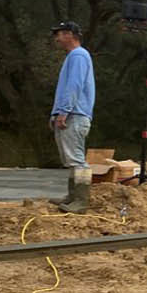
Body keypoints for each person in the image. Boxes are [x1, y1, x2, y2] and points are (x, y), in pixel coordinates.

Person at [50, 21, 96, 214]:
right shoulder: (74, 56)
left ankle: (81, 201)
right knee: (70, 158)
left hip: (75, 115)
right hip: (71, 113)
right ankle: (73, 197)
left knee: (77, 159)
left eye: (59, 34)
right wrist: (56, 112)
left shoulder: (78, 55)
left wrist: (64, 111)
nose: (57, 38)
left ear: (70, 34)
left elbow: (74, 85)